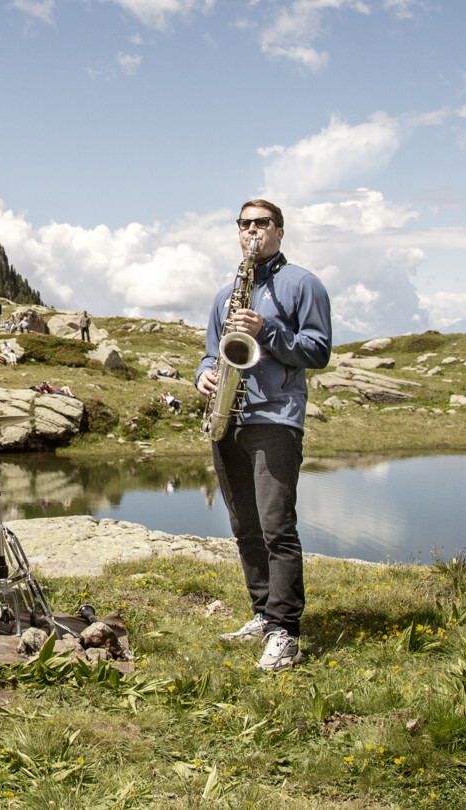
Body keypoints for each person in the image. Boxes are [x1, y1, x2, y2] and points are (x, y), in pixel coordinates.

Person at [195, 199, 332, 673]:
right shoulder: (223, 296)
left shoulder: (303, 284)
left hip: (276, 419)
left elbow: (318, 351)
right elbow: (210, 353)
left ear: (279, 231)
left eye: (261, 223)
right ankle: (262, 613)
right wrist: (202, 378)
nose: (252, 231)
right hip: (228, 417)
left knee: (277, 526)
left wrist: (267, 330)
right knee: (244, 527)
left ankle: (286, 631)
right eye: (244, 224)